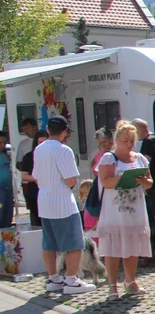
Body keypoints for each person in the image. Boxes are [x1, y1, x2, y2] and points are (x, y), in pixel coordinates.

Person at [34, 116, 96, 295]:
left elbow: (37, 176)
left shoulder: (39, 149)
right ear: (64, 131)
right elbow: (70, 180)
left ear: (48, 129)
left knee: (49, 243)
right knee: (74, 243)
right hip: (62, 202)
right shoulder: (64, 150)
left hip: (44, 201)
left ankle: (53, 278)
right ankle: (71, 280)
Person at [96, 120, 153, 300]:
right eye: (125, 140)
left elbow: (150, 182)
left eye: (132, 141)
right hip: (115, 210)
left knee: (133, 245)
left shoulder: (140, 158)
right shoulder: (108, 158)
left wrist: (143, 181)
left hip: (134, 208)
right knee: (113, 248)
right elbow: (105, 181)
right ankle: (112, 286)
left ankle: (130, 280)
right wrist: (123, 179)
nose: (128, 144)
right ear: (117, 139)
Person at [132, 119, 155, 222]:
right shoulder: (154, 138)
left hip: (151, 182)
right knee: (154, 212)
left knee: (151, 215)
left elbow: (145, 162)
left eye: (135, 132)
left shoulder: (148, 141)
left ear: (141, 130)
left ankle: (154, 235)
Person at [83, 128, 113, 236]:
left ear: (111, 139)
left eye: (104, 142)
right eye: (100, 144)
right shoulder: (101, 154)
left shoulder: (114, 154)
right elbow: (94, 167)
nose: (102, 145)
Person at [20, 130, 49, 227]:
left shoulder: (53, 155)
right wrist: (36, 179)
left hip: (50, 193)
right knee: (37, 222)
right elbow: (24, 175)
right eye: (40, 142)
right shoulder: (28, 157)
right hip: (35, 193)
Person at [0, 130, 15, 228]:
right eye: (0, 143)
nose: (2, 145)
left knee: (8, 214)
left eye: (4, 142)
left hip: (9, 188)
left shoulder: (6, 154)